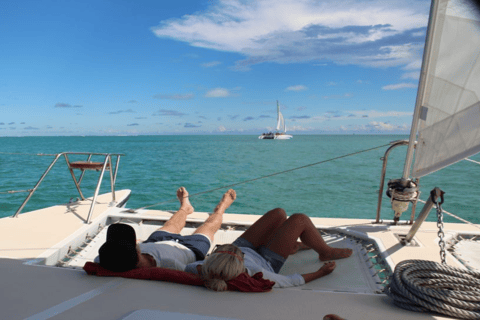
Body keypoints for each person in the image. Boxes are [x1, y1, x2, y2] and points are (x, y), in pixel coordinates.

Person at [185, 207, 353, 291]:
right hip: (266, 259)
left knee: (279, 214)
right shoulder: (256, 271)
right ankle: (325, 251)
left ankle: (292, 245)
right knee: (299, 219)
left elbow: (187, 268)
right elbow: (290, 281)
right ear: (242, 265)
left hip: (241, 249)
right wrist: (321, 272)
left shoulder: (200, 268)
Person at [95, 187, 236, 272]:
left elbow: (98, 260)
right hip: (189, 250)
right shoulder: (171, 265)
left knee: (171, 226)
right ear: (136, 249)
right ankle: (220, 209)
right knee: (208, 229)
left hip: (155, 242)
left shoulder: (104, 258)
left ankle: (185, 208)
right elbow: (193, 270)